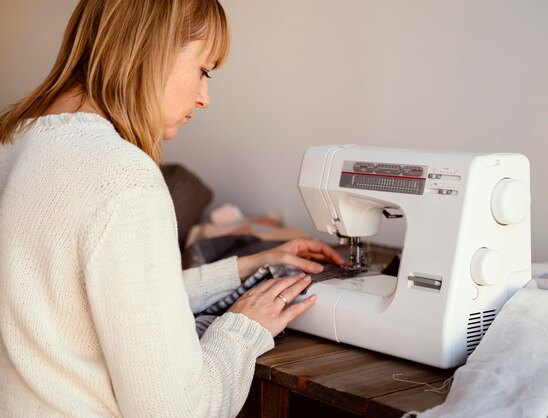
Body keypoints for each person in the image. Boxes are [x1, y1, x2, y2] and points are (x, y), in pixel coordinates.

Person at [0, 1, 345, 417]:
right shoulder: (122, 176)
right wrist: (243, 329)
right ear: (152, 47)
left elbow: (96, 307)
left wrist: (247, 266)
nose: (205, 98)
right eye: (204, 71)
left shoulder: (14, 145)